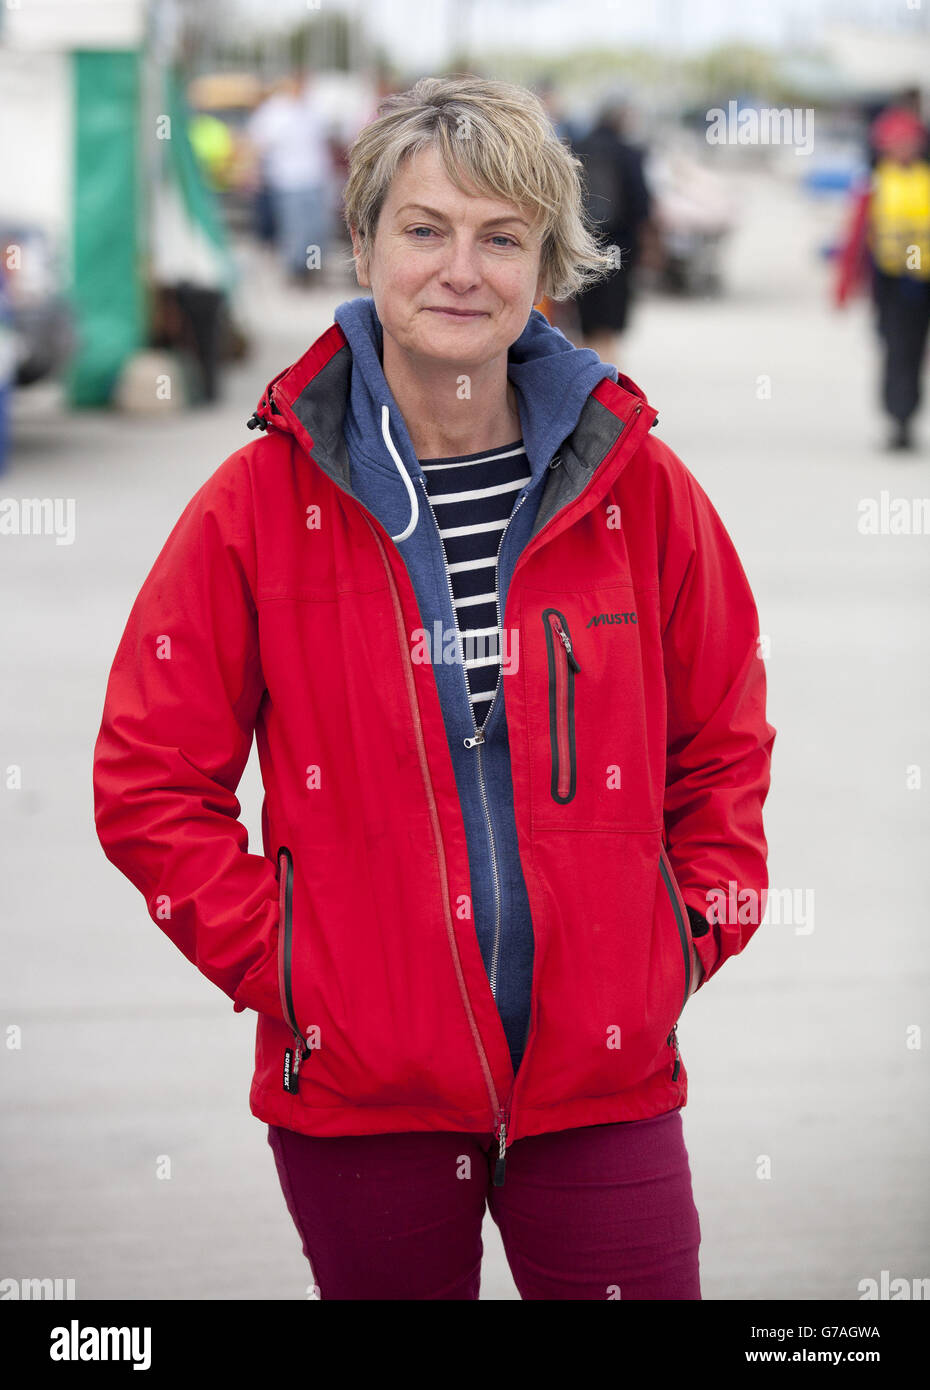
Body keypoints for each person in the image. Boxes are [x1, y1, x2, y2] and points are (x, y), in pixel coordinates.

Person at [93, 75, 775, 1301]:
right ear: (363, 244)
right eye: (426, 229)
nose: (462, 269)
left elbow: (724, 738)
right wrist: (297, 970)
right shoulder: (257, 507)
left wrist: (679, 937)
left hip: (602, 1083)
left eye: (501, 237)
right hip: (363, 1099)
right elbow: (149, 780)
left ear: (543, 267)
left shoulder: (640, 487)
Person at [835, 105, 930, 451]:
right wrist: (844, 288)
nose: (904, 149)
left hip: (922, 285)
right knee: (895, 351)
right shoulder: (873, 185)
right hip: (890, 285)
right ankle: (898, 419)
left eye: (909, 142)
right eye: (896, 143)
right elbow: (855, 239)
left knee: (915, 353)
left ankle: (908, 414)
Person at [571, 100, 652, 363]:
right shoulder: (629, 152)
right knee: (610, 325)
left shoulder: (576, 148)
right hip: (620, 246)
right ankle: (610, 385)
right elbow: (642, 204)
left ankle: (585, 375)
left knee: (585, 320)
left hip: (581, 245)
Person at [245, 71, 332, 284]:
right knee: (294, 229)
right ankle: (295, 270)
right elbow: (257, 143)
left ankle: (311, 268)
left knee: (316, 228)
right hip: (288, 181)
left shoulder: (312, 110)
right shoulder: (275, 111)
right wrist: (252, 172)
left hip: (314, 179)